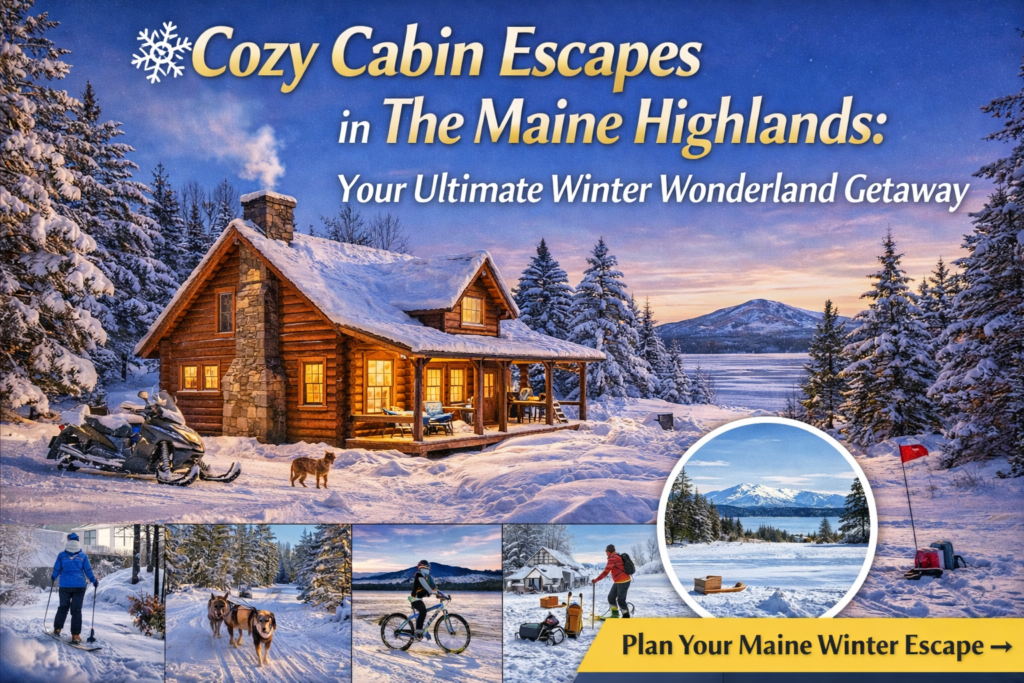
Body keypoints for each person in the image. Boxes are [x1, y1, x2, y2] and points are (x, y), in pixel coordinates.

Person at [52, 533, 98, 643]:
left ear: (68, 542)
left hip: (64, 585)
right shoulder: (83, 556)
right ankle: (75, 635)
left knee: (63, 607)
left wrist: (53, 577)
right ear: (78, 542)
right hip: (79, 585)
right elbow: (88, 570)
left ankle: (57, 629)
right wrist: (94, 580)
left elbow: (57, 569)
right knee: (76, 610)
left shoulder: (61, 555)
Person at [408, 559, 446, 641]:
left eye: (427, 567)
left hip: (419, 599)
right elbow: (426, 587)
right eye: (425, 567)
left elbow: (433, 588)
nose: (427, 569)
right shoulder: (418, 575)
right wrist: (434, 593)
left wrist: (442, 595)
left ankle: (420, 629)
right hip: (415, 599)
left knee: (423, 612)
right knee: (423, 611)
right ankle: (418, 631)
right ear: (421, 567)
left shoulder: (428, 578)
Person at [592, 544, 630, 618]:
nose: (606, 553)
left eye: (606, 552)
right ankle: (615, 614)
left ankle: (626, 616)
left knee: (620, 600)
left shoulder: (613, 559)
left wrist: (596, 580)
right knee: (611, 597)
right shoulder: (617, 556)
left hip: (623, 581)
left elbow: (605, 572)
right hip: (618, 581)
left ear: (608, 552)